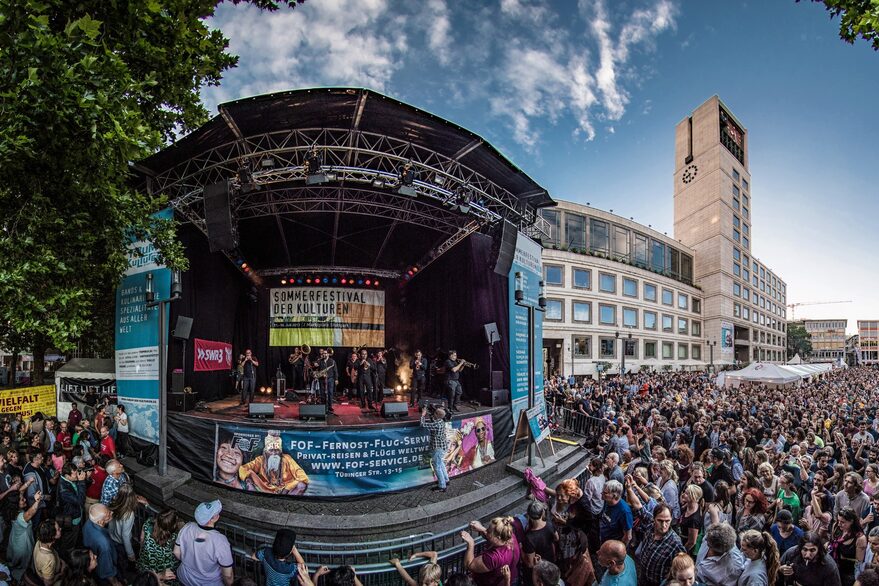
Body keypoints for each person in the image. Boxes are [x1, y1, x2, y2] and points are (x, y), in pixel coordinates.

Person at [174, 500, 234, 586]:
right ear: (213, 519)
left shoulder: (187, 527)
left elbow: (176, 552)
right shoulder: (221, 541)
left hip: (184, 577)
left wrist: (190, 563)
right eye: (216, 513)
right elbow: (228, 576)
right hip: (208, 583)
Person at [237, 430, 308, 494]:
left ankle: (288, 502)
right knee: (249, 473)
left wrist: (287, 488)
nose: (274, 453)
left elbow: (302, 476)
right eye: (271, 450)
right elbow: (242, 468)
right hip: (265, 488)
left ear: (280, 452)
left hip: (286, 490)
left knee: (301, 485)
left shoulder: (287, 458)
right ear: (266, 452)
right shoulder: (260, 460)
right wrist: (249, 483)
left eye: (277, 450)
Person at [461, 517, 520, 586]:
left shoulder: (493, 557)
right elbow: (493, 537)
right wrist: (482, 529)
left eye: (489, 531)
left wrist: (471, 544)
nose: (487, 531)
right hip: (512, 577)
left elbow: (469, 565)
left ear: (498, 537)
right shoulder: (509, 535)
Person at [137, 509, 182, 580]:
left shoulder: (147, 524)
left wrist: (141, 550)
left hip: (147, 563)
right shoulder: (175, 536)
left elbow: (142, 539)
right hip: (165, 569)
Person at [83, 504, 122, 586]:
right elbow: (107, 570)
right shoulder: (104, 544)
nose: (111, 512)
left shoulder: (89, 522)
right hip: (102, 571)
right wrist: (115, 583)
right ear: (100, 522)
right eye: (108, 515)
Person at [6, 488, 39, 582]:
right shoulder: (20, 517)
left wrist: (29, 482)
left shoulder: (12, 511)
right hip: (23, 544)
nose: (24, 499)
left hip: (15, 539)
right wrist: (37, 501)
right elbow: (30, 513)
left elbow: (20, 492)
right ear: (16, 504)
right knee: (24, 563)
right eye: (22, 499)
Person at [829, 507, 867, 586]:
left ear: (851, 522)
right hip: (833, 567)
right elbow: (831, 543)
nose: (839, 524)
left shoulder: (860, 538)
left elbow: (858, 564)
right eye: (838, 520)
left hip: (848, 574)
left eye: (843, 522)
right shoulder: (836, 527)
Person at [109, 483, 141, 573]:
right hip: (121, 543)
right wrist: (130, 553)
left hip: (113, 537)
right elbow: (125, 536)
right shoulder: (128, 514)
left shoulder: (114, 503)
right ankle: (124, 578)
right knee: (123, 563)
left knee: (118, 559)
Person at [421, 406, 449, 492]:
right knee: (441, 464)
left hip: (438, 448)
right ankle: (446, 480)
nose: (433, 414)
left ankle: (442, 486)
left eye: (435, 413)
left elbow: (422, 424)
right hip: (442, 447)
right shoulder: (441, 422)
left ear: (437, 415)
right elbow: (434, 421)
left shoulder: (436, 424)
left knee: (437, 467)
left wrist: (423, 414)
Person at [599, 480, 633, 546]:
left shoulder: (625, 512)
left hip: (612, 546)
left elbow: (628, 537)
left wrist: (617, 550)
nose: (601, 493)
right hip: (604, 540)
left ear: (614, 496)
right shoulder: (608, 501)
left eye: (605, 493)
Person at [33, 518, 64, 585]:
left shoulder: (40, 539)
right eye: (58, 529)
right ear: (52, 536)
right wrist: (60, 575)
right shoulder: (49, 559)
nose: (60, 529)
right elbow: (47, 583)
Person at [315, 348, 338, 415]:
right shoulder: (320, 361)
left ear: (328, 354)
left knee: (330, 393)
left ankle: (330, 406)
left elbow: (335, 371)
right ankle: (323, 406)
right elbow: (316, 367)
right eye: (323, 353)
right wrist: (315, 364)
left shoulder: (332, 361)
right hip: (321, 379)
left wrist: (336, 379)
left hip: (330, 379)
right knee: (322, 393)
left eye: (325, 353)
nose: (324, 354)